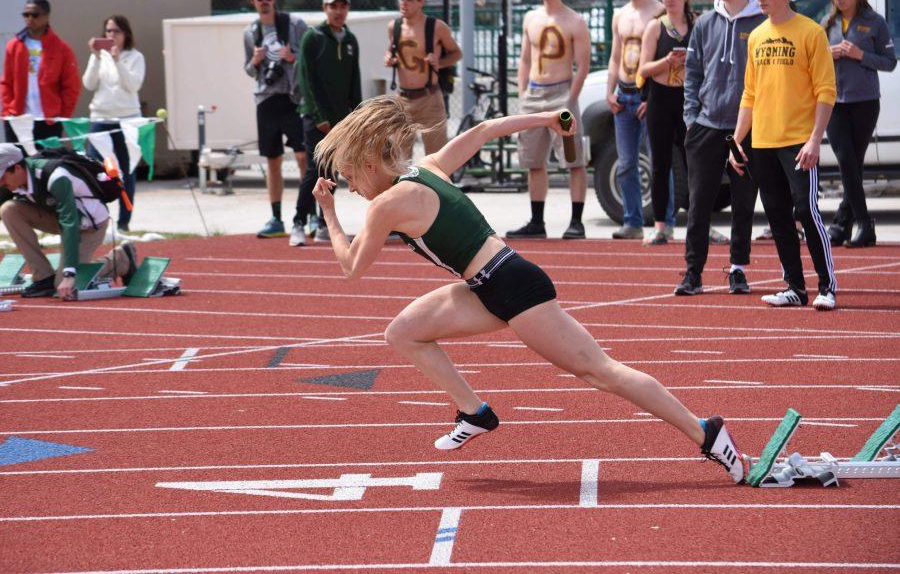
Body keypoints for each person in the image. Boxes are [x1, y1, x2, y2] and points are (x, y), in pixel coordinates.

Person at [309, 95, 747, 485]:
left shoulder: (386, 204)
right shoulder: (427, 168)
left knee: (599, 371)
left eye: (349, 177)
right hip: (484, 285)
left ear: (369, 164)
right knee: (403, 332)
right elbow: (484, 130)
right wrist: (545, 118)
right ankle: (474, 412)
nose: (351, 188)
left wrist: (328, 212)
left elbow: (350, 266)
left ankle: (705, 432)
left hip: (512, 285)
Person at [729, 0, 838, 311]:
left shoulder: (811, 32)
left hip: (799, 142)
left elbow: (826, 91)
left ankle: (827, 286)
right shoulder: (757, 36)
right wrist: (737, 142)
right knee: (776, 215)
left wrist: (815, 140)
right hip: (763, 142)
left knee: (806, 211)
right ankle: (794, 287)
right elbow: (750, 93)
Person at [675, 0, 764, 295]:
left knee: (744, 201)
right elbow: (693, 73)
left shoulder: (762, 21)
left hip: (749, 128)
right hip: (706, 127)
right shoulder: (705, 23)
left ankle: (738, 270)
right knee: (699, 203)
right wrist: (691, 119)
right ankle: (692, 272)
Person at [506, 0, 591, 240]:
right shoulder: (531, 18)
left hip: (561, 93)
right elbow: (524, 59)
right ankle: (537, 221)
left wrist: (569, 99)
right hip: (534, 94)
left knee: (573, 159)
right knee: (533, 160)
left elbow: (583, 66)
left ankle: (576, 222)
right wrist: (523, 95)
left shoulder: (575, 21)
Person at [0, 144, 137, 299]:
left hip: (88, 226)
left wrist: (69, 273)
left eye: (2, 177)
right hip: (60, 217)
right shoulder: (15, 179)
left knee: (64, 286)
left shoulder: (57, 177)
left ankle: (120, 259)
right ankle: (44, 277)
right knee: (9, 210)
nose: (1, 183)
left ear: (17, 168)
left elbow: (69, 223)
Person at [823, 0, 896, 248]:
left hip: (865, 102)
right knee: (845, 160)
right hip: (834, 102)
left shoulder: (874, 22)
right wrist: (828, 52)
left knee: (853, 164)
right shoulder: (828, 23)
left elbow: (889, 62)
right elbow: (814, 57)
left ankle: (842, 224)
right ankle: (864, 224)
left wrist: (859, 55)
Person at [242, 0, 309, 244]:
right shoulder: (250, 32)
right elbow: (248, 69)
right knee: (273, 161)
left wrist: (294, 58)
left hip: (292, 97)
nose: (265, 1)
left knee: (304, 157)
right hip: (266, 99)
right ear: (252, 1)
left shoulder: (294, 24)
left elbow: (311, 55)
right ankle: (276, 217)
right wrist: (256, 61)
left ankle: (308, 214)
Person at [296, 0, 362, 243]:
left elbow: (354, 81)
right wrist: (320, 115)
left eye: (342, 6)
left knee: (330, 171)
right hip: (315, 118)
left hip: (340, 121)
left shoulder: (350, 41)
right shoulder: (312, 38)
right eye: (333, 6)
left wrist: (357, 116)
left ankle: (324, 224)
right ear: (325, 9)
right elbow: (307, 80)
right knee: (314, 170)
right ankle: (299, 222)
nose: (338, 11)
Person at [637, 0, 694, 246]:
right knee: (661, 164)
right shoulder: (656, 27)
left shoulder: (697, 24)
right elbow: (643, 69)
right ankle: (661, 226)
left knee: (695, 162)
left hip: (689, 98)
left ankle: (699, 223)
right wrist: (667, 61)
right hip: (660, 98)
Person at [606, 0, 663, 240]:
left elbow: (662, 58)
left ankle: (665, 221)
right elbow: (615, 56)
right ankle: (633, 221)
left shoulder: (659, 11)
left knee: (658, 162)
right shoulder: (620, 14)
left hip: (648, 96)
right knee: (627, 163)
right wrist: (610, 91)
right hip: (623, 94)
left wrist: (652, 98)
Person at [82, 14, 145, 233]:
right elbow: (89, 84)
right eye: (108, 31)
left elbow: (133, 85)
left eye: (116, 31)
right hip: (100, 117)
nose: (111, 35)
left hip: (126, 119)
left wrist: (118, 61)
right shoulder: (99, 56)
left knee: (126, 170)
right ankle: (96, 218)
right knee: (93, 168)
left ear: (126, 34)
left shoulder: (135, 57)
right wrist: (97, 57)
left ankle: (124, 221)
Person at [384, 0, 461, 155]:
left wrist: (439, 62)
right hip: (402, 99)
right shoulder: (393, 27)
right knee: (400, 159)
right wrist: (389, 58)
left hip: (430, 98)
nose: (404, 3)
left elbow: (456, 53)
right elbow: (391, 50)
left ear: (421, 2)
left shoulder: (436, 27)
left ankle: (433, 184)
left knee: (436, 159)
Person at [1, 0, 80, 146]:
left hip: (48, 121)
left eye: (35, 15)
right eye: (26, 15)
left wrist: (62, 116)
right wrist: (8, 111)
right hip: (17, 119)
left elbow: (71, 86)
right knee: (17, 166)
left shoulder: (61, 48)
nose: (29, 18)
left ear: (46, 16)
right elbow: (6, 81)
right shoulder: (14, 45)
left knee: (46, 165)